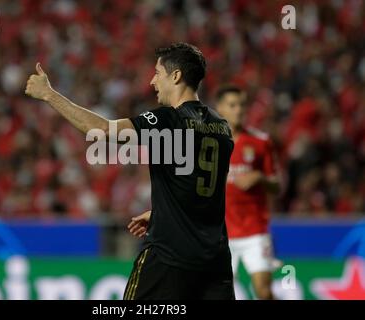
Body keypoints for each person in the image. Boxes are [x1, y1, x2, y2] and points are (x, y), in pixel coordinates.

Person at [25, 43, 235, 300]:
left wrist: (49, 95)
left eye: (158, 73)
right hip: (215, 260)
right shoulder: (222, 127)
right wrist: (162, 212)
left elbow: (102, 130)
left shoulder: (168, 119)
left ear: (176, 76)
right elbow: (208, 192)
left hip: (170, 256)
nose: (152, 81)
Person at [214, 85, 280, 300]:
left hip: (255, 230)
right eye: (232, 105)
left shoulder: (261, 142)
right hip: (221, 233)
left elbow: (276, 185)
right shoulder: (210, 143)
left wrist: (259, 177)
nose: (239, 110)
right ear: (220, 108)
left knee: (263, 291)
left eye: (242, 105)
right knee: (220, 293)